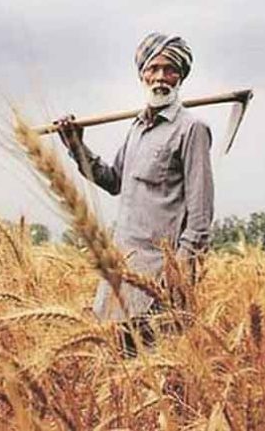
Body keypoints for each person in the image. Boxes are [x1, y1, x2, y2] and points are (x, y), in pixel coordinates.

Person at [56, 32, 214, 354]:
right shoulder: (137, 128)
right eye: (153, 68)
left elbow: (200, 218)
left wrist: (179, 273)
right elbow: (113, 180)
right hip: (122, 273)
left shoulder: (191, 129)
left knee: (156, 373)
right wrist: (75, 145)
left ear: (180, 76)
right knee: (117, 368)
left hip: (159, 279)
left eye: (169, 69)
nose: (160, 77)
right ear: (142, 74)